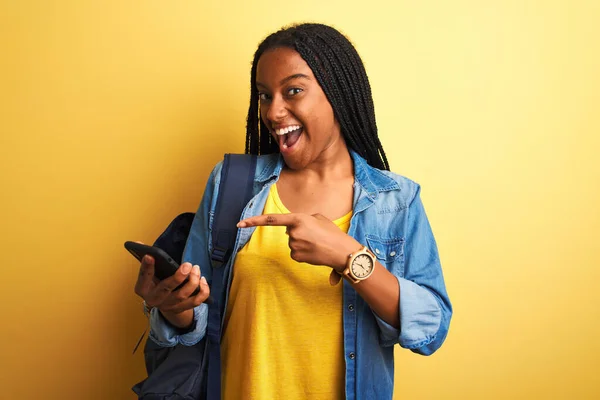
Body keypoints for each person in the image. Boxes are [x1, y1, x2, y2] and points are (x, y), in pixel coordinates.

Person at [134, 23, 452, 400]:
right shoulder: (231, 183)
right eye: (265, 96)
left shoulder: (395, 200)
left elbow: (431, 329)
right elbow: (196, 322)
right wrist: (173, 307)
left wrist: (350, 257)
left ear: (338, 94)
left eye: (294, 91)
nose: (274, 111)